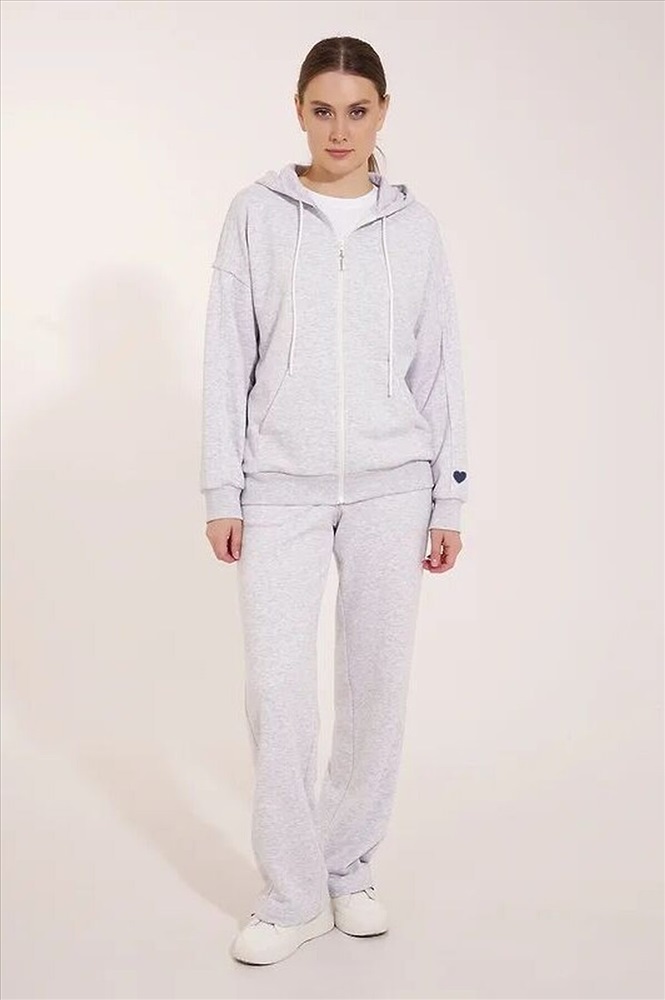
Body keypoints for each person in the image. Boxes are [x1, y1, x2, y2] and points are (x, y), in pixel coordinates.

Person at [200, 35, 469, 965]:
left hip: (396, 485)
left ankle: (347, 869)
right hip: (279, 486)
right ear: (298, 110)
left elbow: (439, 367)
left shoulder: (415, 228)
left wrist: (447, 499)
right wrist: (223, 486)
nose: (339, 129)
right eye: (322, 110)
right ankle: (291, 895)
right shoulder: (255, 215)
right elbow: (227, 355)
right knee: (279, 694)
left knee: (372, 689)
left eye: (357, 111)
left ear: (382, 112)